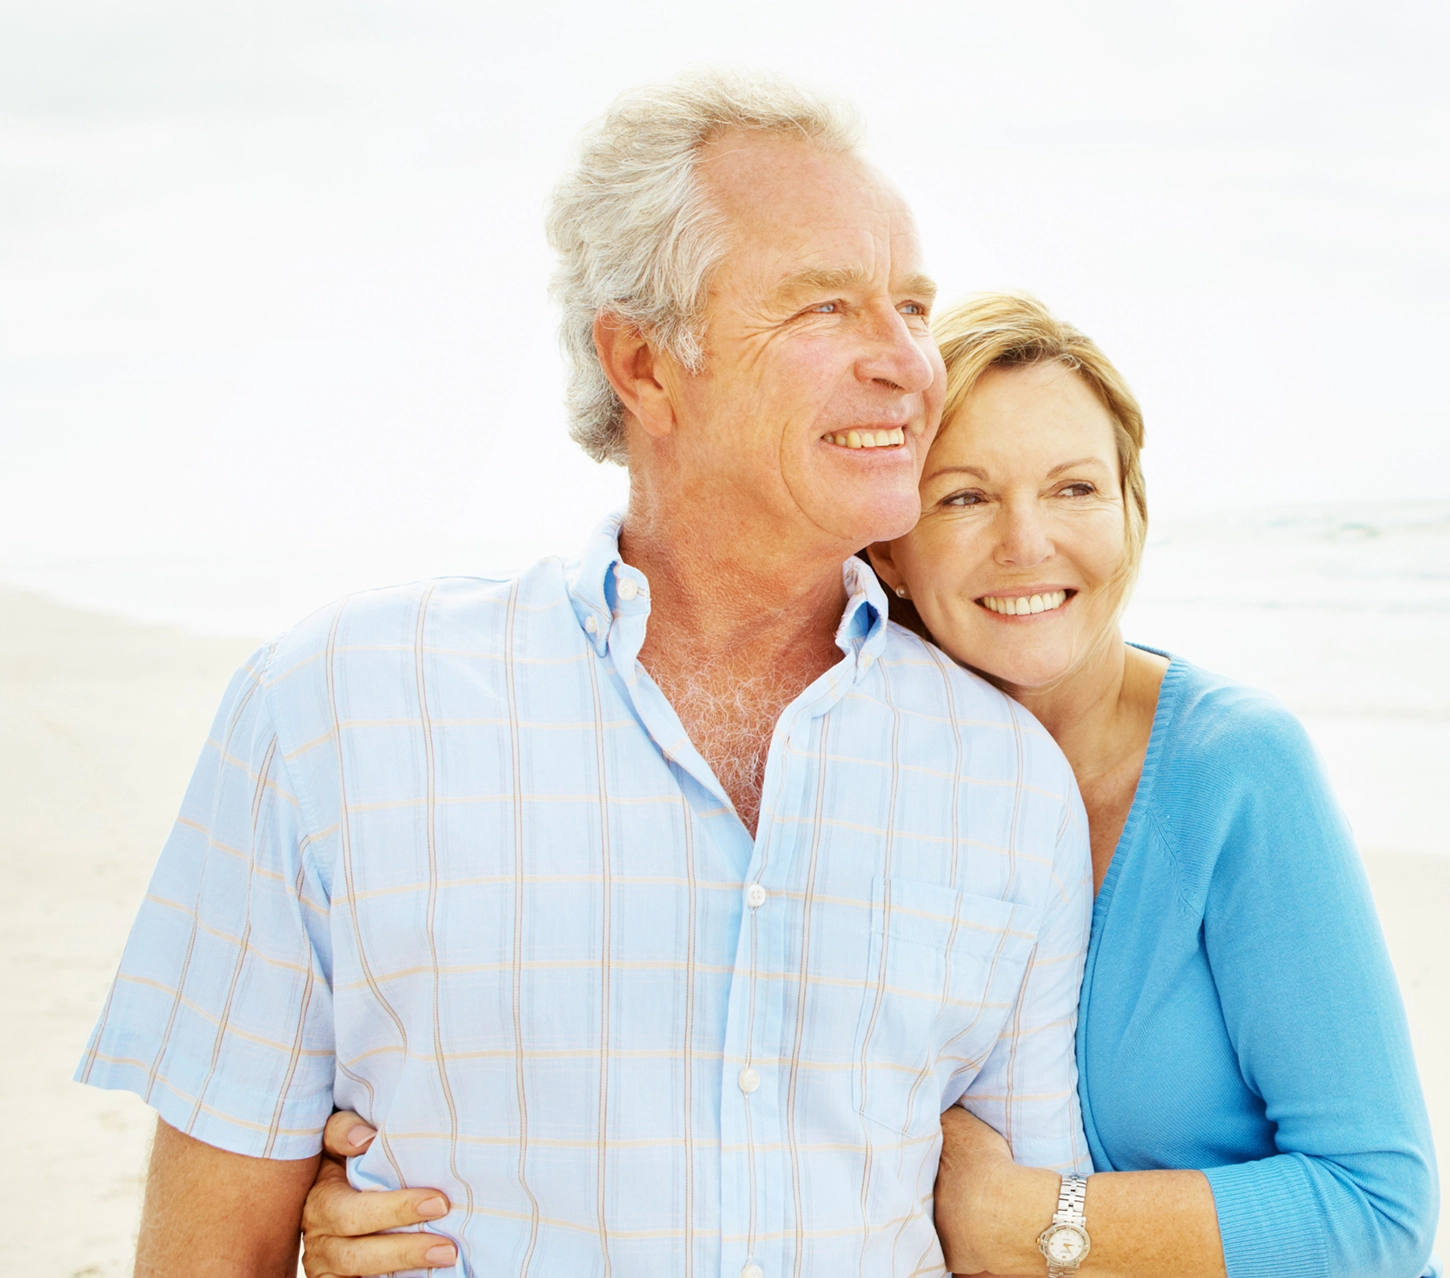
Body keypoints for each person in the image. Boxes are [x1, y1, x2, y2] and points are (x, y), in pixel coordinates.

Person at [75, 74, 1095, 1276]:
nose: (907, 364)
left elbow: (1021, 1242)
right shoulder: (337, 710)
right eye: (825, 308)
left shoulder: (1007, 782)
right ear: (645, 362)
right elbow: (203, 1250)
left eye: (912, 307)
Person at [305, 292, 1441, 1278]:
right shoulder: (858, 775)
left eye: (1078, 488)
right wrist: (405, 1180)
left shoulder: (1235, 769)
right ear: (888, 541)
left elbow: (1380, 1210)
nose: (1028, 542)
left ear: (1133, 510)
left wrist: (1039, 1222)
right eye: (963, 498)